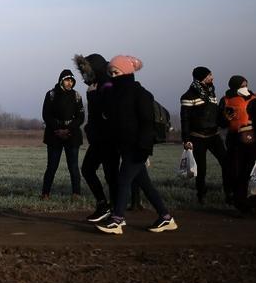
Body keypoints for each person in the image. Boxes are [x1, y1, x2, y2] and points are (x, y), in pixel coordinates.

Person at [95, 55, 177, 235]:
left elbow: (147, 123)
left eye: (115, 72)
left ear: (126, 72)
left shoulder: (141, 94)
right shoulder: (115, 94)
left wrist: (144, 149)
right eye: (110, 73)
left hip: (137, 147)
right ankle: (166, 217)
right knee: (146, 185)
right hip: (125, 146)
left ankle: (117, 219)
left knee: (124, 181)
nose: (113, 76)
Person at [75, 54, 119, 222]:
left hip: (108, 138)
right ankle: (103, 205)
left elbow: (107, 111)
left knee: (111, 175)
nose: (84, 75)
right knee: (87, 169)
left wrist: (92, 96)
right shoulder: (96, 84)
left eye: (86, 70)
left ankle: (116, 212)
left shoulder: (107, 84)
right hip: (98, 138)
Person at [218, 75, 256, 214]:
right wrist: (225, 118)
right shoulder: (225, 100)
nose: (245, 88)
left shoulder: (254, 101)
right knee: (235, 171)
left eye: (246, 85)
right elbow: (221, 124)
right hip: (233, 140)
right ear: (234, 86)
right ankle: (239, 202)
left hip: (251, 140)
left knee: (249, 172)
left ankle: (252, 203)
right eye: (242, 85)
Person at [180, 66, 229, 204]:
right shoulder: (187, 96)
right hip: (197, 137)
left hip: (214, 136)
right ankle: (201, 196)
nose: (212, 77)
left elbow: (217, 116)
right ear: (202, 78)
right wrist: (186, 139)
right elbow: (185, 120)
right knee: (201, 169)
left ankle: (229, 193)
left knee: (226, 163)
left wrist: (226, 119)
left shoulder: (212, 93)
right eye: (209, 75)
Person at [40, 69, 85, 200]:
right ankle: (45, 194)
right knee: (52, 166)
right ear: (61, 80)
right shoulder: (51, 94)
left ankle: (76, 194)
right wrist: (58, 129)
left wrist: (68, 129)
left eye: (71, 80)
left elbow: (80, 117)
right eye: (67, 80)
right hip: (54, 135)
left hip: (72, 135)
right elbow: (46, 115)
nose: (69, 83)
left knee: (74, 167)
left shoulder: (77, 96)